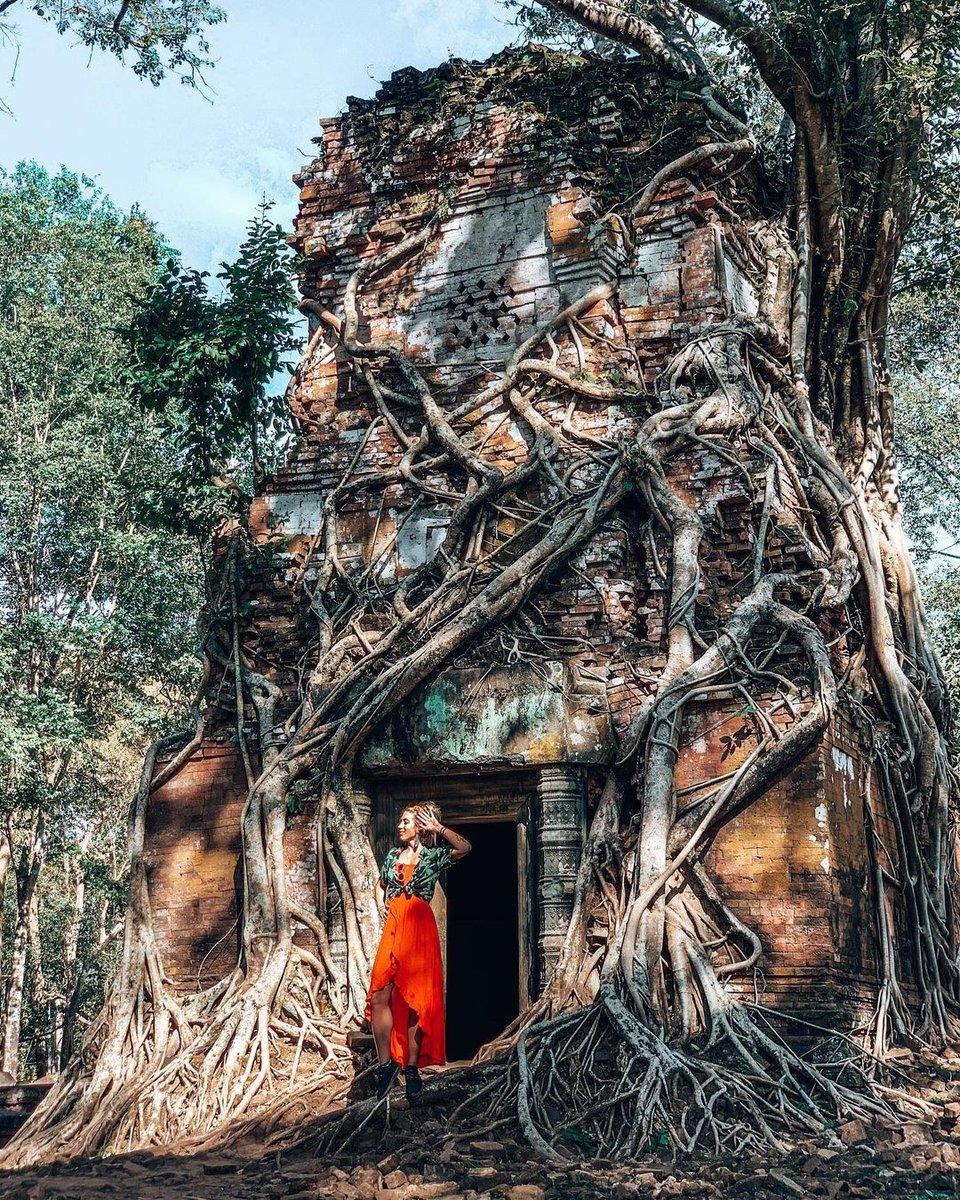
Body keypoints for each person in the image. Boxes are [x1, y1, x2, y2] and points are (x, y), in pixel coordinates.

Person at [366, 803, 471, 1100]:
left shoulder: (434, 856)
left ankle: (411, 1069)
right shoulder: (390, 856)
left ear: (421, 827)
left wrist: (438, 829)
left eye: (406, 821)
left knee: (417, 1001)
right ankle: (386, 1065)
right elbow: (381, 884)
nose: (400, 826)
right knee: (379, 993)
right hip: (396, 923)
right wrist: (381, 903)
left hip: (420, 927)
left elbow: (465, 847)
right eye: (399, 820)